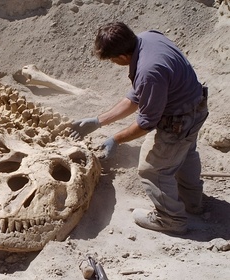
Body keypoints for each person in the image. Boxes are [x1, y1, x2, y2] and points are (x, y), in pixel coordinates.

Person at [71, 22, 209, 235]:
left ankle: (171, 219)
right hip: (195, 105)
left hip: (180, 120)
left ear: (122, 57)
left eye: (112, 60)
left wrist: (115, 139)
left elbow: (146, 124)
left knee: (153, 169)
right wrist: (98, 121)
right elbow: (138, 95)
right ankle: (193, 202)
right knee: (186, 153)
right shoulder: (148, 37)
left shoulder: (148, 71)